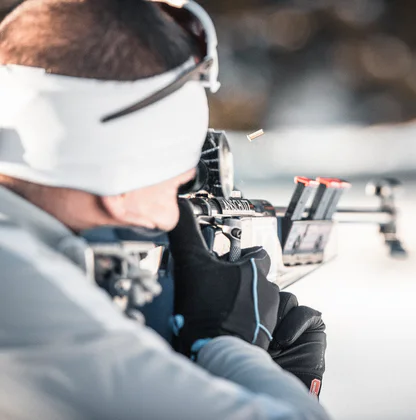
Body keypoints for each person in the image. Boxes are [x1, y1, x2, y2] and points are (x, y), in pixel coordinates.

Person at [0, 0, 328, 418]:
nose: (173, 217)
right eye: (176, 186)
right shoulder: (23, 297)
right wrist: (229, 348)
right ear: (122, 176)